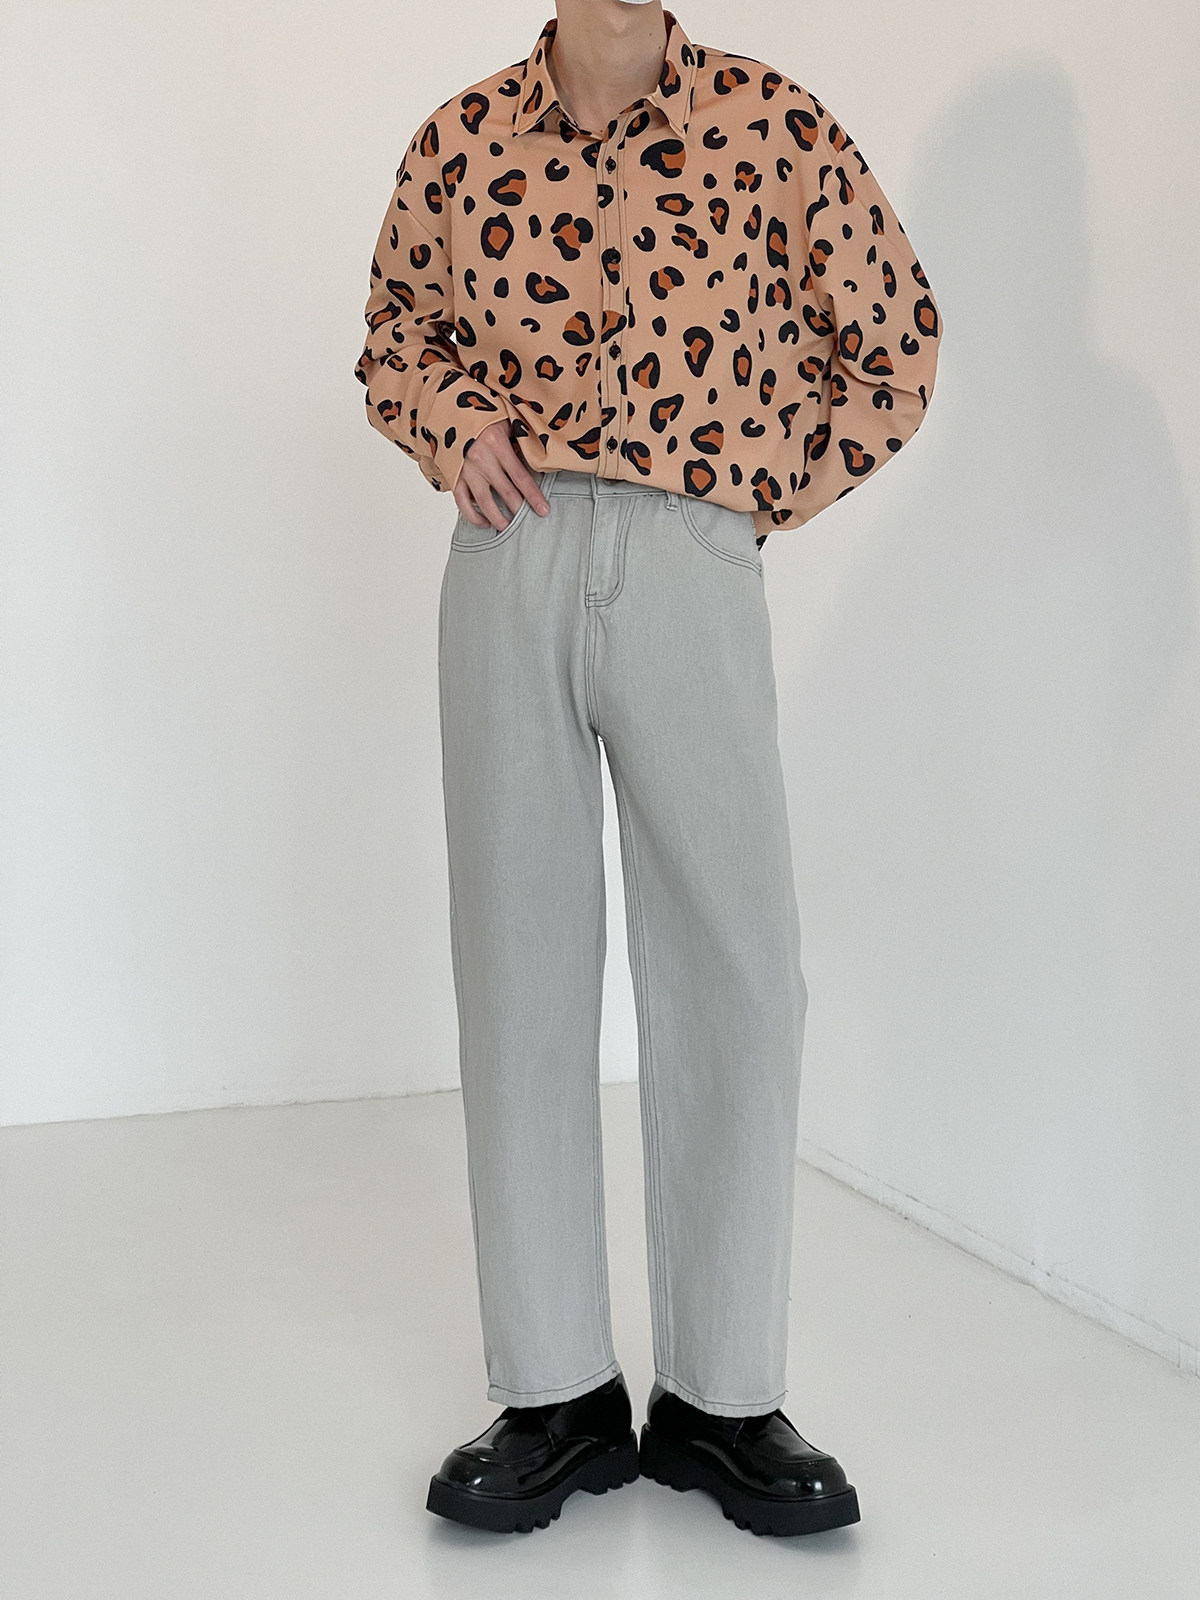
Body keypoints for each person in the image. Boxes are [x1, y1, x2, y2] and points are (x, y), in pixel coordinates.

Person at [354, 0, 941, 1539]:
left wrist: (745, 491)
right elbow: (396, 332)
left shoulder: (774, 125)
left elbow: (894, 340)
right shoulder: (461, 139)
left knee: (743, 970)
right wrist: (451, 420)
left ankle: (724, 1397)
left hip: (691, 554)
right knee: (521, 967)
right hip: (513, 555)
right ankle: (555, 1393)